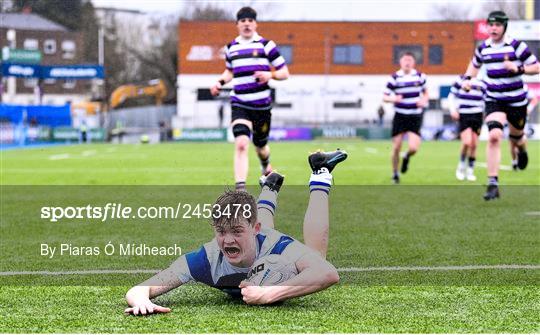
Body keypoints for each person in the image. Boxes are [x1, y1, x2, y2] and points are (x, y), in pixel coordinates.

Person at [124, 150, 347, 314]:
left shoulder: (281, 247)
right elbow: (139, 290)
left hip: (269, 243)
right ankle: (270, 187)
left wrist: (269, 294)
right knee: (263, 227)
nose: (227, 240)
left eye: (236, 231)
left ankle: (320, 172)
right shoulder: (206, 259)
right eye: (221, 231)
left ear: (254, 229)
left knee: (316, 257)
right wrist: (141, 300)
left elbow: (328, 274)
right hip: (260, 234)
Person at [461, 11, 539, 200]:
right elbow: (473, 66)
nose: (493, 28)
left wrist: (517, 68)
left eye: (497, 25)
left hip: (516, 101)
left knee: (516, 137)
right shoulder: (483, 48)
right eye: (491, 25)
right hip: (494, 99)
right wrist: (467, 79)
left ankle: (521, 148)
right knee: (494, 136)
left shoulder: (516, 46)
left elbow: (536, 67)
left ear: (504, 27)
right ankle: (492, 183)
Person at [210, 7, 290, 191]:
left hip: (262, 106)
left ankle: (265, 166)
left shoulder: (266, 45)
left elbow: (285, 72)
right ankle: (241, 189)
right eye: (243, 21)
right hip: (240, 103)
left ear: (255, 24)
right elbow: (230, 71)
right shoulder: (231, 48)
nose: (246, 23)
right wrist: (220, 82)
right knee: (241, 143)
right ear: (237, 24)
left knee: (261, 147)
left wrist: (270, 75)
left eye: (250, 20)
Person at [383, 52, 429, 184]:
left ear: (413, 63)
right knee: (396, 146)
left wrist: (423, 100)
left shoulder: (420, 76)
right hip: (400, 116)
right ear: (400, 62)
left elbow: (426, 93)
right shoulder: (395, 78)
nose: (407, 62)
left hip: (415, 116)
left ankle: (407, 157)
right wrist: (394, 98)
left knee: (413, 148)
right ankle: (395, 174)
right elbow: (385, 96)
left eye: (410, 60)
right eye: (405, 60)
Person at [449, 75, 486, 181]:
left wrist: (487, 112)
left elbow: (487, 98)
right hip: (464, 114)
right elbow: (451, 96)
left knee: (474, 145)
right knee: (467, 142)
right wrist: (453, 110)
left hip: (478, 115)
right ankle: (460, 167)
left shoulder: (482, 81)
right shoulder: (460, 79)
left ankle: (470, 171)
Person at [510, 84, 538, 170]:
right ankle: (514, 161)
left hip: (521, 117)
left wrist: (529, 109)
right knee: (512, 141)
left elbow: (534, 99)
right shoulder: (506, 86)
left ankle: (521, 157)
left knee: (520, 139)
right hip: (510, 116)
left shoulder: (523, 87)